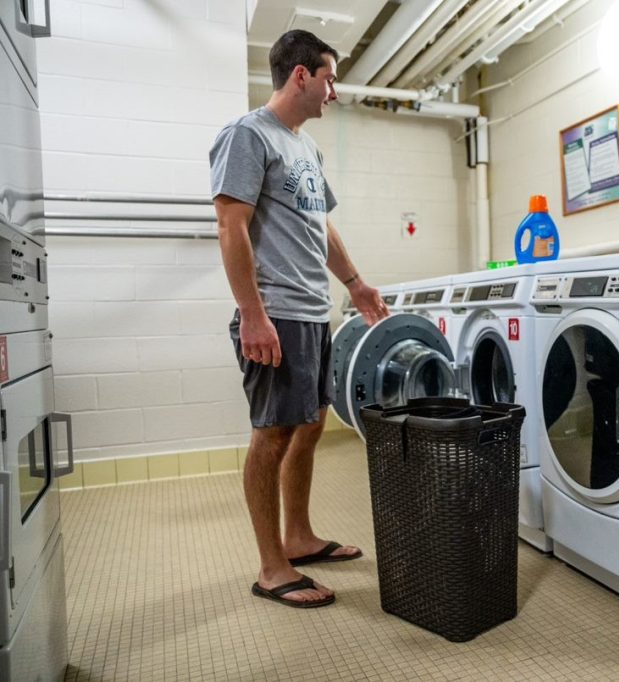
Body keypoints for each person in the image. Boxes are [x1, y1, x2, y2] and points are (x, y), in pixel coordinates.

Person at [209, 29, 389, 609]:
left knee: (311, 423)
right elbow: (230, 226)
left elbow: (321, 227)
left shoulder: (304, 148)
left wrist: (355, 284)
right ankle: (271, 567)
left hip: (312, 311)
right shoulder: (247, 135)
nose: (333, 91)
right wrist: (252, 315)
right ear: (301, 76)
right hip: (275, 313)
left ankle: (299, 536)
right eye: (330, 78)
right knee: (273, 433)